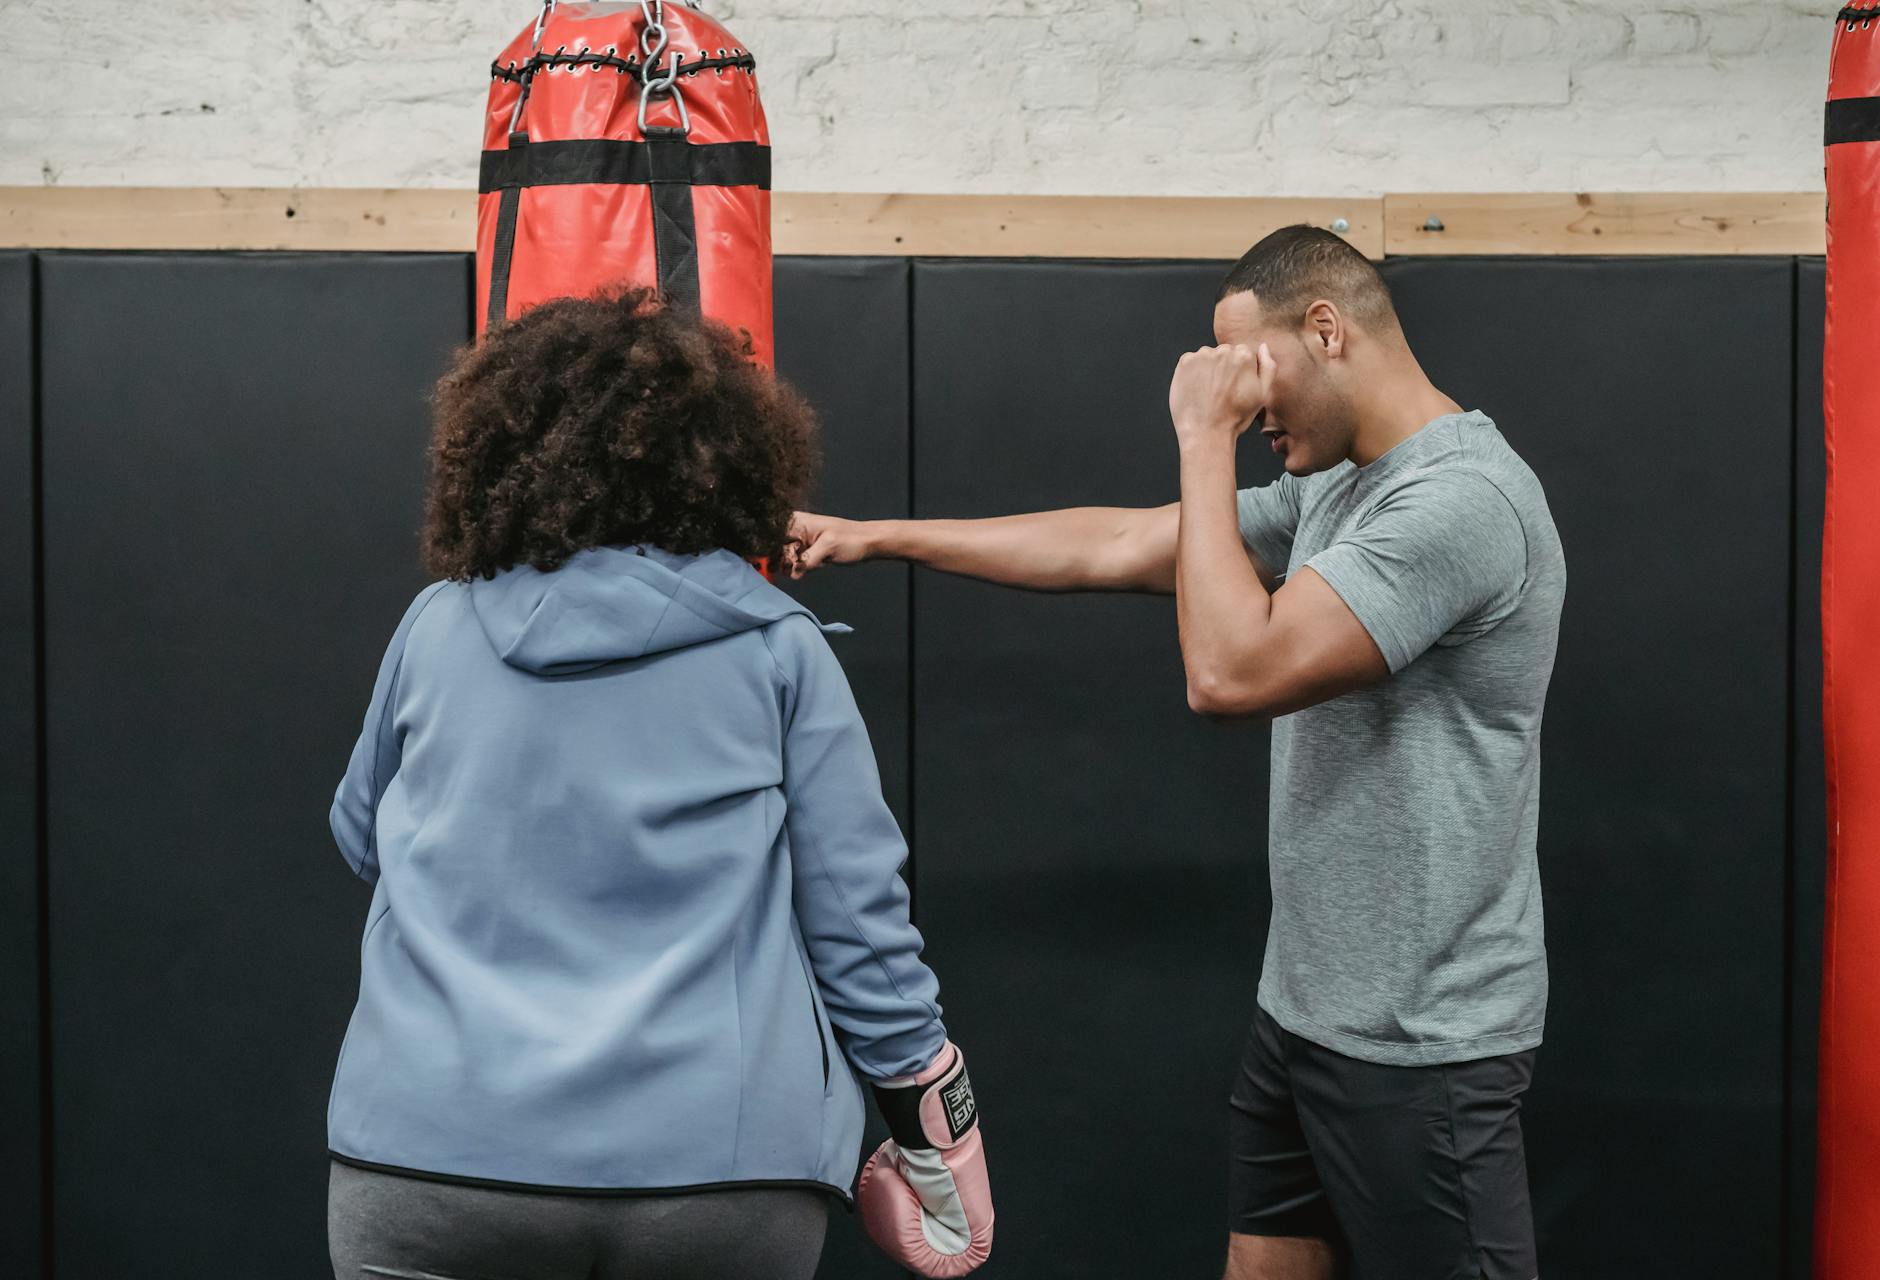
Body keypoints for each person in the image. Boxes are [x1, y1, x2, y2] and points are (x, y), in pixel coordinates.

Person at [788, 226, 1566, 1280]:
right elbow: (1118, 543)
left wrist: (1204, 439)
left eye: (1255, 366)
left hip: (1422, 1045)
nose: (1248, 405)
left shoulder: (1457, 502)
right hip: (1304, 1014)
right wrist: (881, 533)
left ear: (1326, 329)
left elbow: (1230, 673)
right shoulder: (1343, 486)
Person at [325, 290, 992, 1280]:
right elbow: (859, 929)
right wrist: (943, 1130)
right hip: (714, 1174)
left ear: (497, 455)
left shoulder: (436, 625)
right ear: (727, 467)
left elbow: (363, 836)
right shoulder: (778, 650)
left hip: (431, 1155)